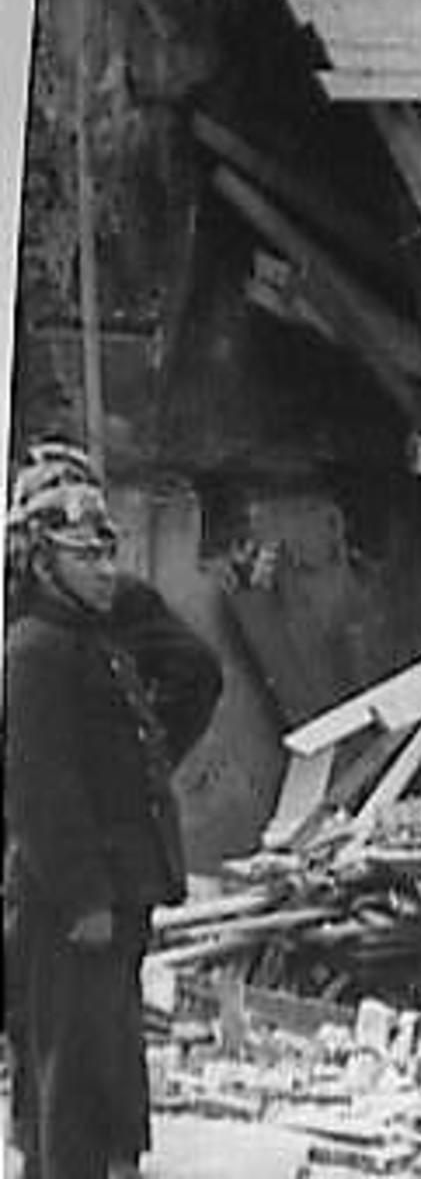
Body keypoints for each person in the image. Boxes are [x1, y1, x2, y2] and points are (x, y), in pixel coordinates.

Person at [4, 442, 224, 1179]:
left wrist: (138, 778)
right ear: (44, 563)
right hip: (70, 898)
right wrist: (84, 896)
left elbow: (188, 681)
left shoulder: (92, 636)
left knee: (103, 1054)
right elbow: (40, 789)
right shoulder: (36, 649)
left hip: (112, 884)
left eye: (108, 554)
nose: (106, 570)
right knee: (67, 1068)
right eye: (87, 557)